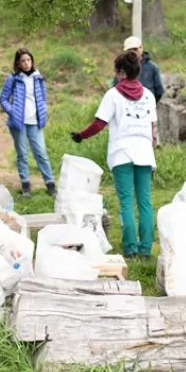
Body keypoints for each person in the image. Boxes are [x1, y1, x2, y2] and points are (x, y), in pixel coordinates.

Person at [71, 51, 157, 259]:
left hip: (122, 154)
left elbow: (100, 123)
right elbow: (153, 128)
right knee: (145, 201)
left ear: (120, 73)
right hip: (144, 153)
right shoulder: (148, 95)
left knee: (127, 201)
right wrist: (150, 147)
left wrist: (81, 135)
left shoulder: (113, 95)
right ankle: (146, 249)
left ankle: (131, 249)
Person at [0, 48, 55, 197]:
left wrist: (43, 110)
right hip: (19, 123)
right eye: (23, 61)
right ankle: (26, 186)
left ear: (32, 61)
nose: (26, 63)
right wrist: (12, 111)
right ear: (18, 63)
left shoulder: (38, 78)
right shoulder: (14, 78)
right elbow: (3, 99)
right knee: (22, 154)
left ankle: (50, 184)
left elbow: (43, 98)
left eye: (28, 60)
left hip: (35, 122)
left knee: (41, 153)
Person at [115, 36, 165, 102]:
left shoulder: (153, 67)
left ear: (141, 48)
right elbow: (115, 86)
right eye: (130, 50)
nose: (133, 52)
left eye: (135, 49)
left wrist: (150, 103)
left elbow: (159, 90)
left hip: (146, 106)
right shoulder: (122, 67)